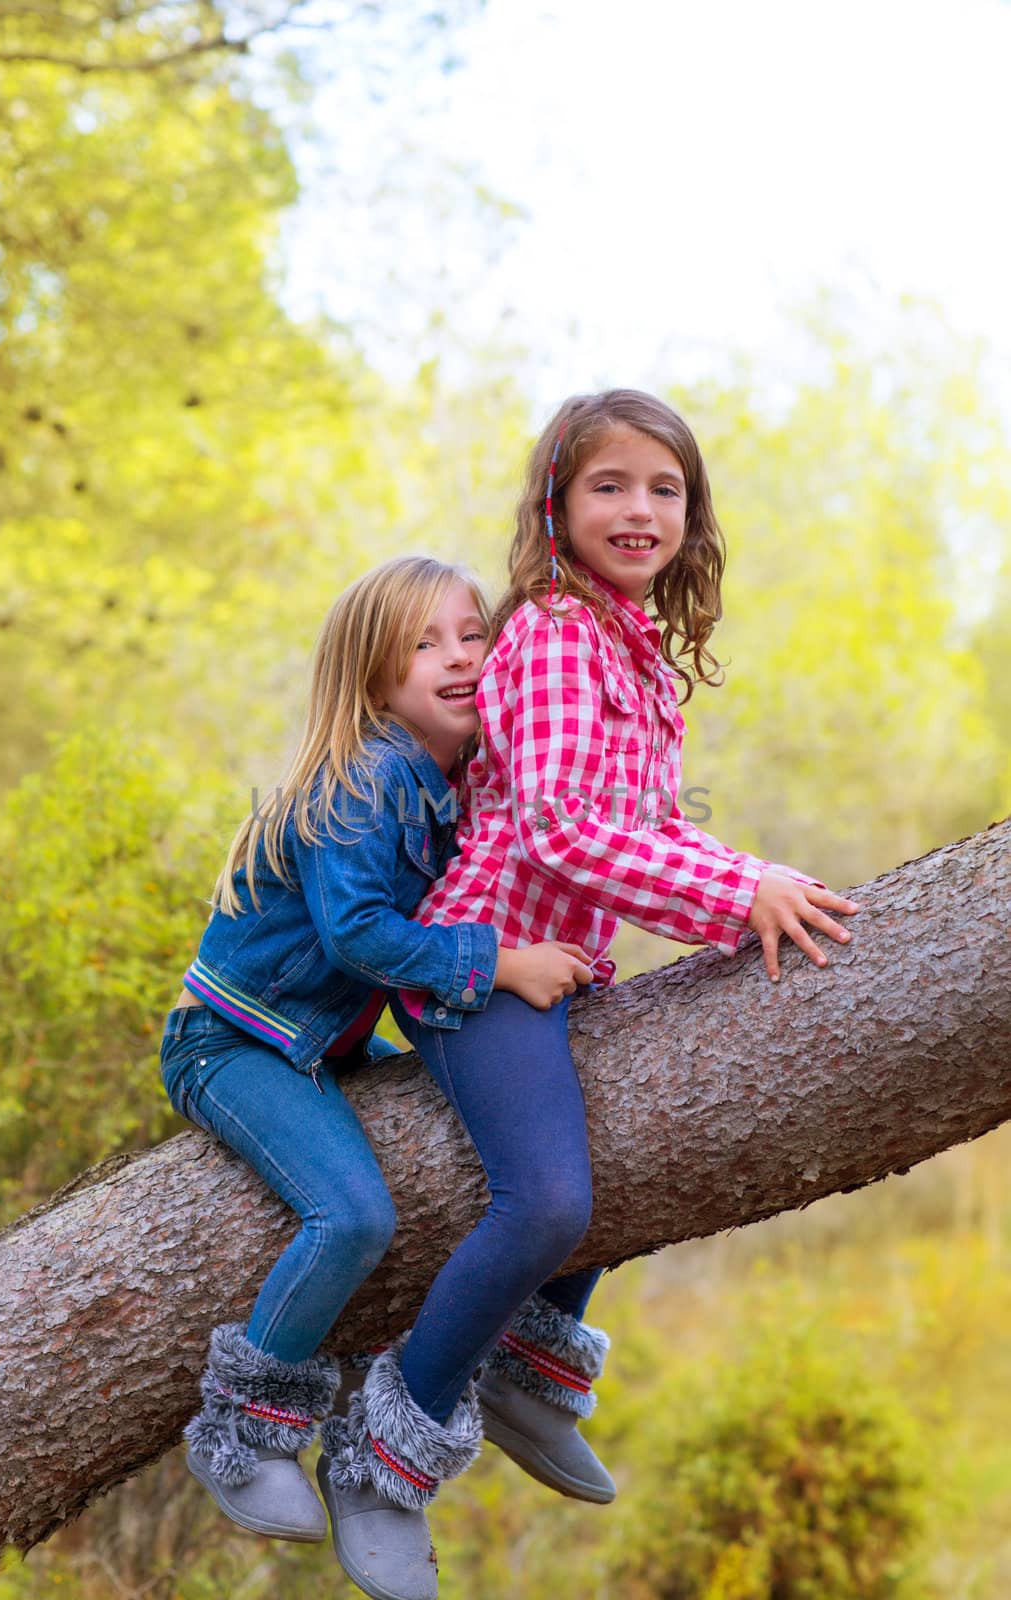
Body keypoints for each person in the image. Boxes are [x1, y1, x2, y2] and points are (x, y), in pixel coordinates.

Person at [318, 391, 861, 1600]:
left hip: (561, 966)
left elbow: (644, 829)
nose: (638, 509)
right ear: (555, 504)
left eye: (663, 489)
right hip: (482, 962)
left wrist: (742, 881)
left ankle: (527, 1369)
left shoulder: (628, 648)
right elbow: (564, 829)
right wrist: (740, 892)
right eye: (609, 484)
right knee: (547, 1198)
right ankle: (382, 1454)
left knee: (629, 1147)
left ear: (691, 513)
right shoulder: (558, 634)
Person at [160, 557, 591, 1565]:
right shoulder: (365, 778)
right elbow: (357, 935)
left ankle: (517, 1367)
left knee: (519, 1143)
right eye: (422, 643)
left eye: (470, 633)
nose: (456, 658)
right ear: (372, 680)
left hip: (332, 1042)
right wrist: (499, 961)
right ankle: (244, 1423)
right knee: (352, 1213)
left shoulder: (446, 783)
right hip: (237, 1041)